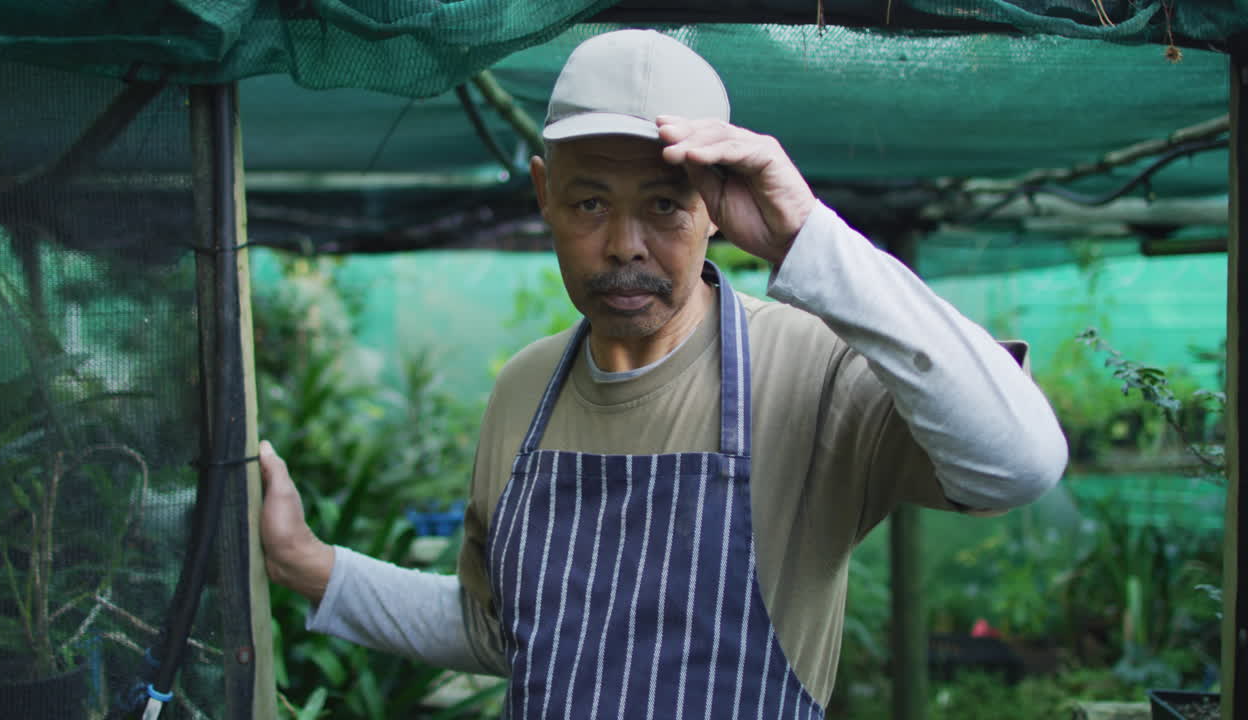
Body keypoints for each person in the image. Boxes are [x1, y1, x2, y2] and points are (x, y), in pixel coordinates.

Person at [258, 28, 1067, 717]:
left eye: (666, 204)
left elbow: (1018, 463)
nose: (625, 247)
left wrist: (809, 240)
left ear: (718, 204)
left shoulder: (814, 368)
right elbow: (502, 631)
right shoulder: (525, 388)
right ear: (544, 193)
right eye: (589, 204)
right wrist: (306, 563)